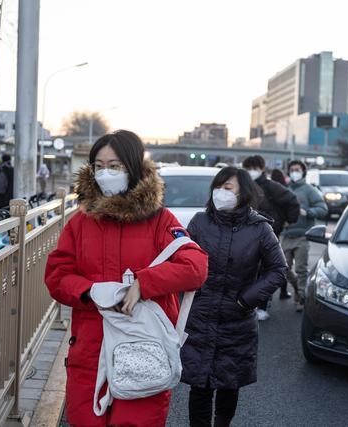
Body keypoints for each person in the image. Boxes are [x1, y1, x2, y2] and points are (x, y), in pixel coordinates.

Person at [44, 130, 208, 426]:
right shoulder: (80, 222)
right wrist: (90, 291)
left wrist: (144, 284)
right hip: (90, 350)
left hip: (144, 349)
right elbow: (57, 274)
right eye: (99, 166)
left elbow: (196, 265)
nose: (105, 173)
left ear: (132, 168)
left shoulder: (160, 220)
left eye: (115, 166)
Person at [181, 167, 287, 427]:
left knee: (230, 383)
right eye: (218, 187)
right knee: (200, 384)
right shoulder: (199, 222)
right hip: (201, 317)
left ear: (244, 193)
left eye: (228, 188)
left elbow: (278, 269)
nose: (221, 193)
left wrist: (246, 300)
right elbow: (181, 259)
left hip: (237, 320)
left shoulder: (260, 229)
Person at [242, 155, 300, 319]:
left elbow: (291, 200)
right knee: (248, 269)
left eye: (254, 168)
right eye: (248, 168)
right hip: (247, 231)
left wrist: (288, 221)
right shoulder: (244, 185)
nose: (251, 172)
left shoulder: (270, 186)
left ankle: (262, 306)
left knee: (264, 270)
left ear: (261, 169)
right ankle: (249, 304)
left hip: (269, 231)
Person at [281, 160, 328, 312]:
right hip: (287, 235)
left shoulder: (309, 190)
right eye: (292, 169)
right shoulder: (285, 190)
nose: (294, 172)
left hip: (303, 235)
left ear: (303, 172)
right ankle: (297, 289)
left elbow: (322, 208)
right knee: (283, 268)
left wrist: (308, 212)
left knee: (301, 269)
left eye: (297, 169)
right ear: (288, 172)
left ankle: (301, 298)